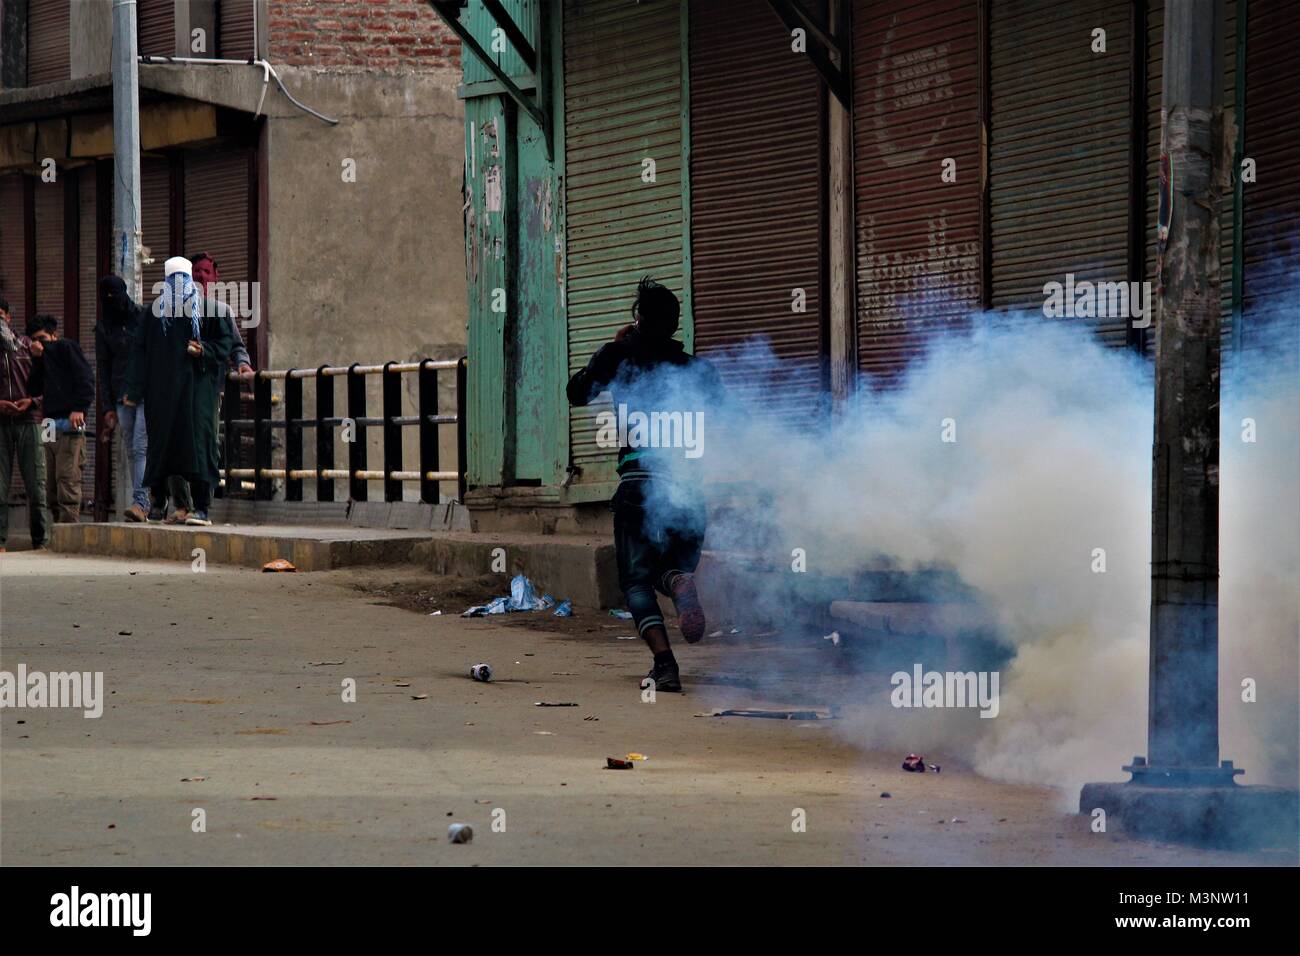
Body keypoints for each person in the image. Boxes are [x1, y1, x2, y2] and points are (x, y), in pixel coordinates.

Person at [566, 277, 724, 693]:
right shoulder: (699, 370)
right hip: (688, 492)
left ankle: (665, 666)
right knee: (669, 569)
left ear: (638, 319)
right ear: (674, 325)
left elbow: (577, 392)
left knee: (636, 582)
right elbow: (727, 418)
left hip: (639, 486)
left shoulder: (620, 357)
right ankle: (676, 582)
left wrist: (619, 347)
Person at [124, 256, 234, 528]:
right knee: (164, 447)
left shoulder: (211, 311)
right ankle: (164, 505)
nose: (178, 285)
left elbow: (225, 343)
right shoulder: (153, 315)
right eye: (173, 280)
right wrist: (134, 390)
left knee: (199, 447)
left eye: (182, 279)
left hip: (198, 397)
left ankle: (202, 508)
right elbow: (140, 353)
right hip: (163, 397)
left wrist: (203, 350)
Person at [95, 275, 156, 522]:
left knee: (141, 446)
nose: (112, 301)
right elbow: (104, 367)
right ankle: (145, 500)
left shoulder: (143, 317)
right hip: (122, 397)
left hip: (146, 392)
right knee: (132, 449)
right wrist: (107, 407)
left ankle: (141, 502)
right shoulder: (104, 327)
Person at [27, 315, 95, 524]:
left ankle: (69, 527)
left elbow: (86, 379)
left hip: (70, 421)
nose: (40, 345)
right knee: (48, 479)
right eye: (35, 341)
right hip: (49, 423)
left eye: (43, 339)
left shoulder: (66, 348)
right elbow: (34, 388)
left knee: (68, 476)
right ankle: (56, 528)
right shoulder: (42, 358)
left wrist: (79, 408)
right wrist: (38, 360)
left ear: (53, 336)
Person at [0, 295, 50, 551]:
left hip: (29, 420)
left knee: (36, 484)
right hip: (1, 423)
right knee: (0, 487)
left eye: (0, 316)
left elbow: (48, 381)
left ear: (8, 317)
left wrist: (32, 401)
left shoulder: (28, 345)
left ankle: (41, 541)